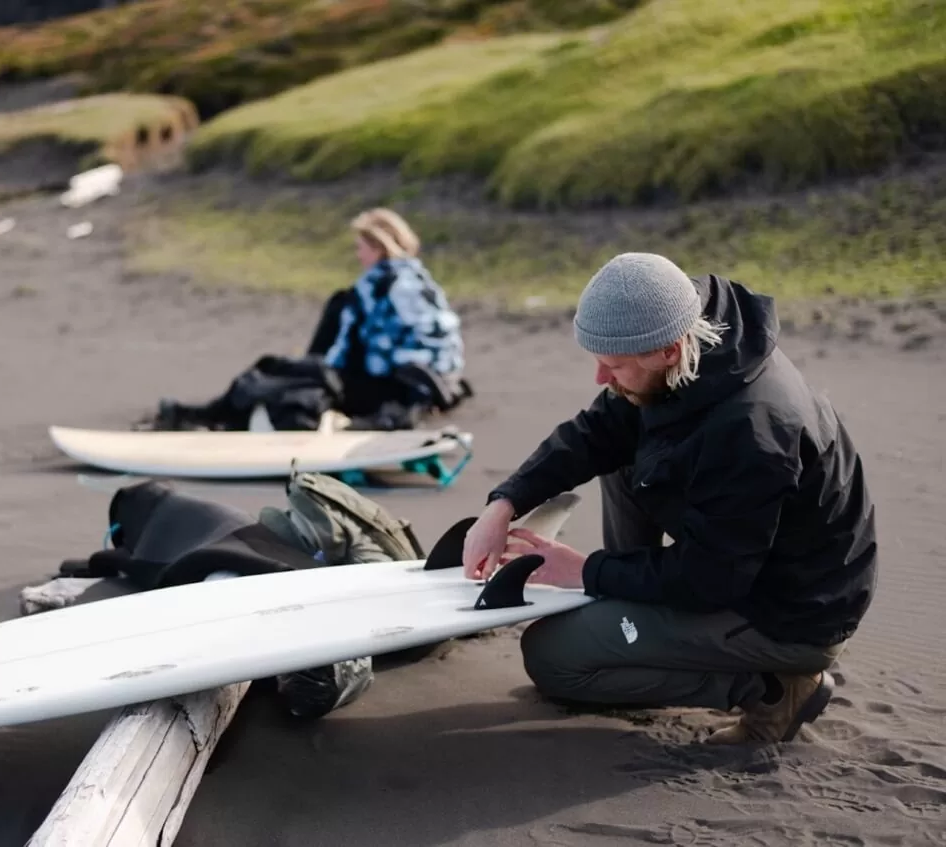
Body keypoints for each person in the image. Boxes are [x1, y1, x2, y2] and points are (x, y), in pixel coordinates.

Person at [461, 252, 877, 744]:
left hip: (791, 611)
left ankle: (772, 690)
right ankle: (624, 605)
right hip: (739, 556)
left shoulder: (749, 431)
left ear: (669, 351)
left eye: (612, 365)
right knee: (624, 450)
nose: (600, 378)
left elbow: (710, 579)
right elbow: (598, 430)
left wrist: (584, 570)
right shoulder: (683, 321)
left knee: (553, 659)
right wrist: (504, 503)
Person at [146, 208, 471, 432]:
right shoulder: (422, 280)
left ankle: (208, 414)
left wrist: (311, 371)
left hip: (391, 389)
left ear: (377, 248)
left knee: (279, 368)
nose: (358, 255)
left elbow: (339, 359)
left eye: (361, 247)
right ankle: (214, 411)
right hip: (431, 386)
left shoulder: (375, 285)